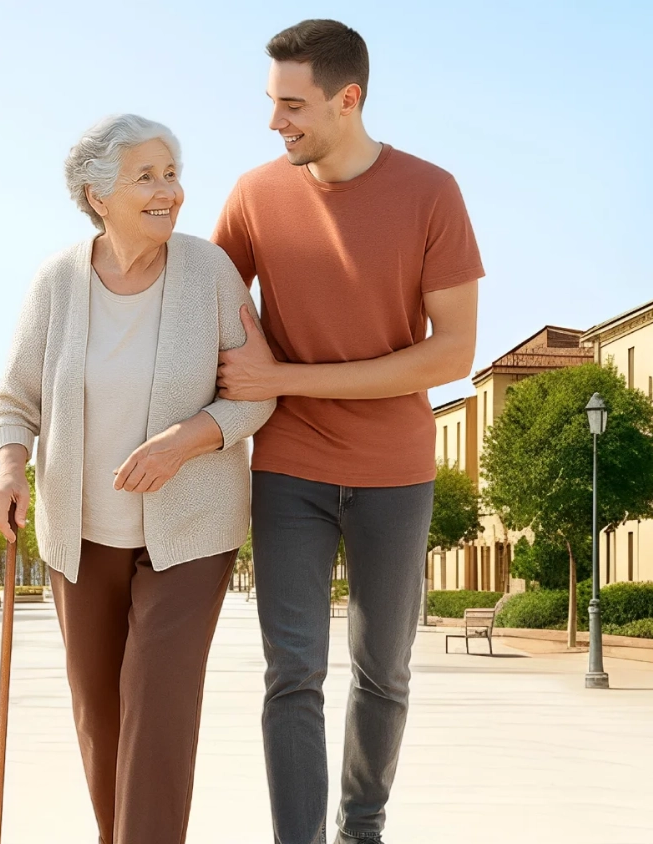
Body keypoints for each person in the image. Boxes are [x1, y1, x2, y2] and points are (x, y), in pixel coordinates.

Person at [213, 20, 484, 844]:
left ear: (347, 99)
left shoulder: (432, 192)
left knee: (384, 673)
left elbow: (450, 353)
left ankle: (360, 830)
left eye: (292, 105)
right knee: (291, 674)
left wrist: (284, 377)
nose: (274, 123)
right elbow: (206, 308)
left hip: (396, 472)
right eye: (271, 104)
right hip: (287, 470)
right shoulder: (255, 196)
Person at [0, 113, 275, 844]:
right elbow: (14, 398)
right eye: (146, 176)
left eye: (172, 173)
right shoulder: (58, 280)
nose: (169, 191)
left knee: (159, 711)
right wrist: (11, 468)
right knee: (100, 718)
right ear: (96, 194)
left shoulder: (208, 271)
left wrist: (184, 441)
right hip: (79, 536)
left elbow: (257, 390)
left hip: (191, 532)